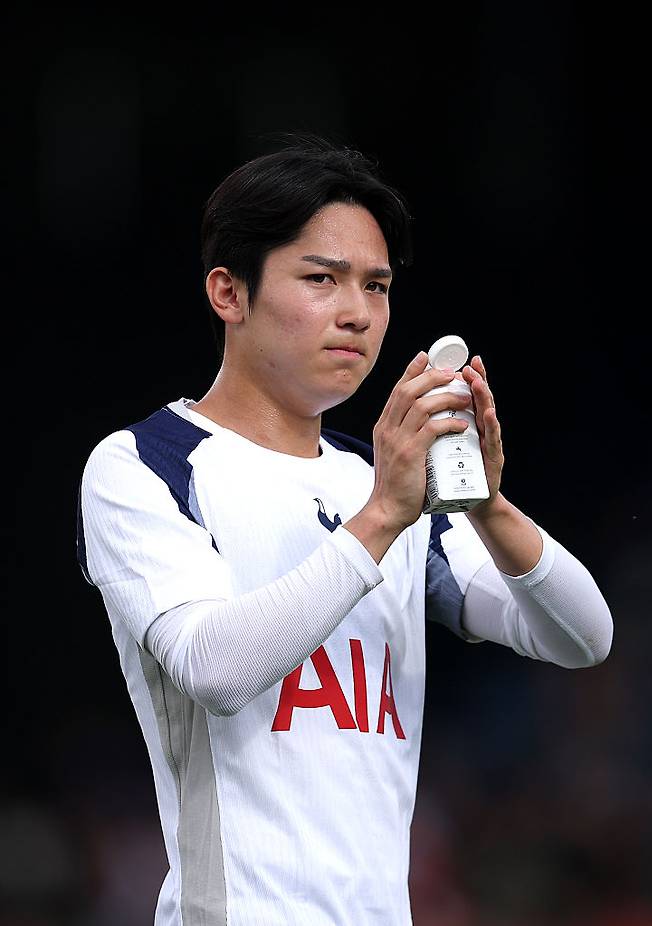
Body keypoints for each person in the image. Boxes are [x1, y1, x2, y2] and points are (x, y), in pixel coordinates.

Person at [76, 134, 614, 926]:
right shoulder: (145, 464)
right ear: (229, 293)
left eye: (377, 285)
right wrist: (384, 515)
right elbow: (213, 668)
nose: (358, 313)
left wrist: (488, 505)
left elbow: (582, 637)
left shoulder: (380, 479)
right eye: (321, 279)